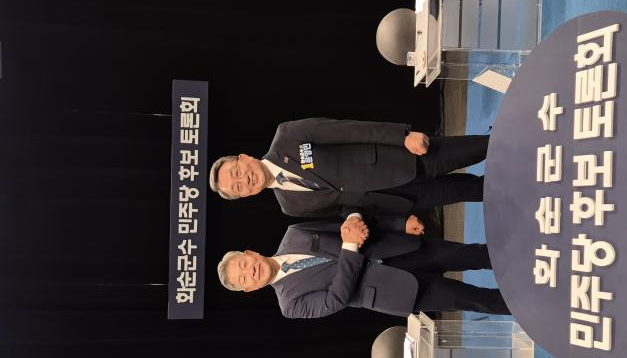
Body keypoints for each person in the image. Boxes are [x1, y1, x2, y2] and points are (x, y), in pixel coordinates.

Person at [216, 215, 508, 319]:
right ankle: (530, 303)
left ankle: (529, 257)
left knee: (476, 254)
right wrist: (350, 247)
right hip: (397, 291)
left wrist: (397, 224)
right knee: (478, 300)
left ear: (250, 253)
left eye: (244, 264)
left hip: (398, 248)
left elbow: (346, 222)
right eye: (244, 279)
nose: (250, 271)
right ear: (250, 289)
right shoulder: (290, 305)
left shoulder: (295, 233)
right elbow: (336, 299)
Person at [208, 118, 488, 218]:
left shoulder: (288, 136)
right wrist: (356, 217)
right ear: (246, 196)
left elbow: (349, 130)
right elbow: (342, 210)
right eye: (238, 188)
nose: (243, 180)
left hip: (401, 157)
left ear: (244, 157)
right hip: (398, 198)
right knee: (474, 191)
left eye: (236, 173)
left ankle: (518, 142)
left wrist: (401, 136)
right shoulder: (290, 206)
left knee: (480, 148)